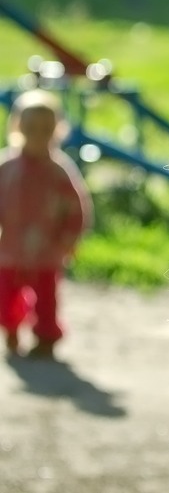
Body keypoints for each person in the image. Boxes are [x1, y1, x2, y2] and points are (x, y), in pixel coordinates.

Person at [0, 89, 91, 359]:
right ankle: (12, 326)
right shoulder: (7, 167)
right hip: (10, 249)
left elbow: (77, 208)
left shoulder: (59, 171)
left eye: (46, 129)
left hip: (47, 250)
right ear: (18, 127)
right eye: (31, 128)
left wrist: (69, 238)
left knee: (47, 300)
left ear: (57, 130)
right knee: (5, 295)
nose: (38, 135)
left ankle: (46, 337)